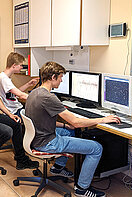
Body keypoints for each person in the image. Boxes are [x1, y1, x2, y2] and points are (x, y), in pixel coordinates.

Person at [26, 61, 120, 197]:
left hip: (36, 138)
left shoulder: (34, 92)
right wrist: (103, 119)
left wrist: (65, 125)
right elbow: (76, 122)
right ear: (53, 78)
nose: (61, 80)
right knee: (96, 148)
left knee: (69, 131)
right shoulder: (49, 97)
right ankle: (82, 188)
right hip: (47, 143)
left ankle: (57, 167)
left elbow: (41, 121)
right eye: (60, 77)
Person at [0, 52, 39, 169]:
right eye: (21, 65)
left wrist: (28, 84)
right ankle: (24, 156)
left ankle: (23, 155)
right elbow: (20, 95)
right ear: (13, 65)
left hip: (15, 107)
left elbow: (13, 94)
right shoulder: (4, 78)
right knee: (36, 120)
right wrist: (41, 99)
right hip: (13, 109)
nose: (22, 67)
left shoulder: (6, 77)